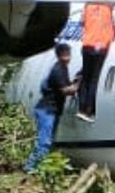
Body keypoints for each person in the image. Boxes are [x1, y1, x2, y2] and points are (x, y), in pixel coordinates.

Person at [25, 43, 79, 173]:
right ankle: (30, 167)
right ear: (63, 55)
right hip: (47, 110)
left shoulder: (63, 68)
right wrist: (78, 85)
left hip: (52, 110)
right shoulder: (58, 70)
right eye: (67, 53)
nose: (69, 56)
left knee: (48, 140)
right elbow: (65, 90)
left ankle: (41, 166)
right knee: (44, 142)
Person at [77, 2, 115, 122]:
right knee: (94, 80)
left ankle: (81, 109)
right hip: (101, 47)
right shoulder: (109, 9)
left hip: (87, 45)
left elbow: (81, 22)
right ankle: (89, 111)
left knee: (86, 78)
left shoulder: (87, 5)